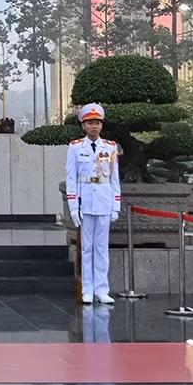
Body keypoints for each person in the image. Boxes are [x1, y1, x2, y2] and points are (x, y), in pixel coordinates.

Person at [64, 102, 121, 305]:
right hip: (85, 201)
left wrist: (116, 205)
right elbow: (71, 178)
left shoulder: (111, 147)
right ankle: (87, 289)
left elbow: (114, 179)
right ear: (83, 125)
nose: (94, 126)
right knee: (86, 248)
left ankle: (102, 290)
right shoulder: (75, 147)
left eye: (97, 122)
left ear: (102, 125)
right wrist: (73, 206)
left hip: (104, 201)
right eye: (90, 123)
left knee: (101, 248)